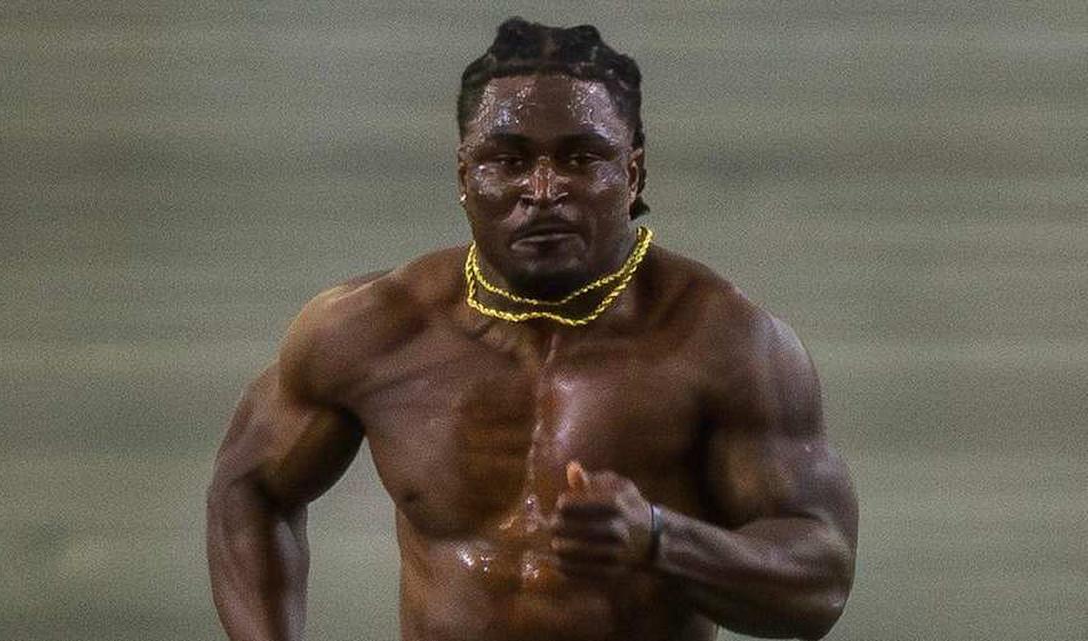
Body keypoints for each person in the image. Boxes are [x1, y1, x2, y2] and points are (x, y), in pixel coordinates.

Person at [206, 17, 858, 641]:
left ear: (631, 174)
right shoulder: (371, 329)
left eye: (580, 158)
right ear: (465, 176)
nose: (543, 189)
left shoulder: (725, 341)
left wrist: (661, 538)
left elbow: (820, 581)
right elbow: (250, 490)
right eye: (508, 160)